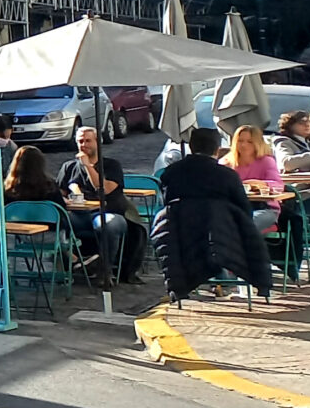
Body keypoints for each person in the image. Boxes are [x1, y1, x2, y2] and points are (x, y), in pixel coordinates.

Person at [153, 127, 273, 299]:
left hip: (180, 233)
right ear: (217, 150)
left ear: (191, 147)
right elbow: (243, 209)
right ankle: (239, 284)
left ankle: (190, 290)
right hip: (222, 234)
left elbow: (166, 201)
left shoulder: (171, 172)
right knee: (237, 234)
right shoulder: (227, 175)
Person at [59, 126, 144, 285]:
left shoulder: (111, 166)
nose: (84, 145)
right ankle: (75, 262)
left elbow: (103, 189)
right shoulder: (68, 167)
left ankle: (105, 270)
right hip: (79, 215)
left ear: (98, 143)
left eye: (88, 141)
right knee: (56, 221)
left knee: (108, 224)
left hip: (107, 212)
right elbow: (59, 194)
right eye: (80, 141)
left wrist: (88, 166)